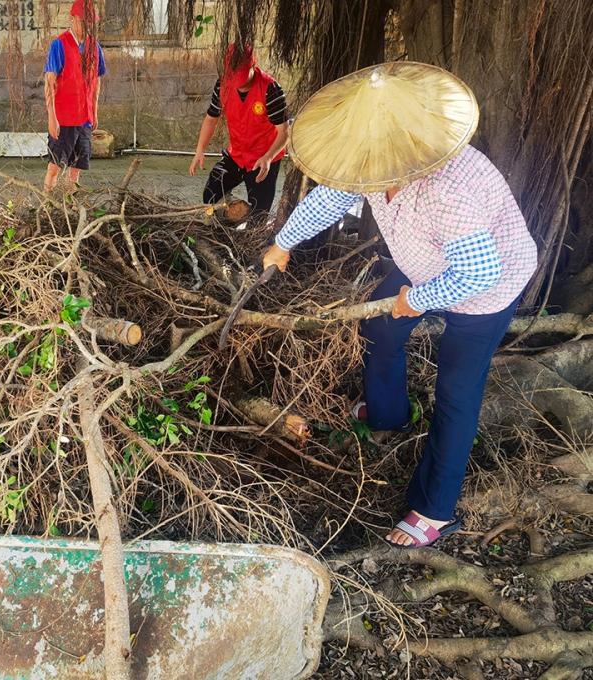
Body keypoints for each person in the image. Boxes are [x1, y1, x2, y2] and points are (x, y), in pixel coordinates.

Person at [261, 62, 537, 548]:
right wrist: (283, 242)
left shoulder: (445, 188)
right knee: (380, 329)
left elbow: (479, 272)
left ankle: (435, 509)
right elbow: (329, 199)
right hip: (424, 258)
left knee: (456, 389)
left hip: (490, 282)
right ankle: (388, 414)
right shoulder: (374, 159)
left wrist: (421, 300)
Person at [190, 45, 288, 224]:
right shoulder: (222, 84)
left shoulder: (270, 89)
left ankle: (249, 229)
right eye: (235, 80)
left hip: (263, 159)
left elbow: (284, 133)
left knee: (259, 215)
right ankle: (230, 216)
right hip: (237, 154)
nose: (239, 86)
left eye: (243, 80)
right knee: (210, 192)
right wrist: (199, 150)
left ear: (253, 66)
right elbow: (211, 118)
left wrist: (268, 157)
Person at [43, 0, 106, 193]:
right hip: (64, 117)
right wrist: (52, 118)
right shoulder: (59, 45)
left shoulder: (94, 47)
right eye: (82, 21)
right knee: (54, 166)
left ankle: (70, 205)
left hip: (84, 118)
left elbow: (97, 80)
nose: (86, 26)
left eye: (90, 23)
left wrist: (94, 111)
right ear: (72, 19)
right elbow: (49, 83)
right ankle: (47, 204)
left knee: (76, 168)